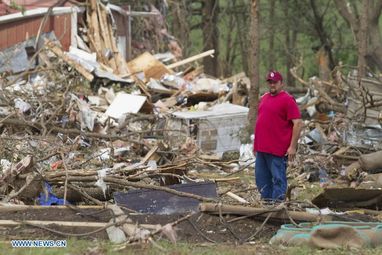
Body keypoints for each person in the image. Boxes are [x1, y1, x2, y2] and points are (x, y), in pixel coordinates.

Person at [254, 70, 303, 201]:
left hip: (277, 151)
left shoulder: (287, 100)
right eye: (270, 82)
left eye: (275, 82)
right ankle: (267, 205)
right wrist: (256, 146)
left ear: (281, 83)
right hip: (262, 149)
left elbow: (297, 123)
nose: (272, 85)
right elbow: (262, 122)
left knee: (278, 180)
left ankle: (278, 207)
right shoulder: (264, 98)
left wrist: (292, 147)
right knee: (261, 180)